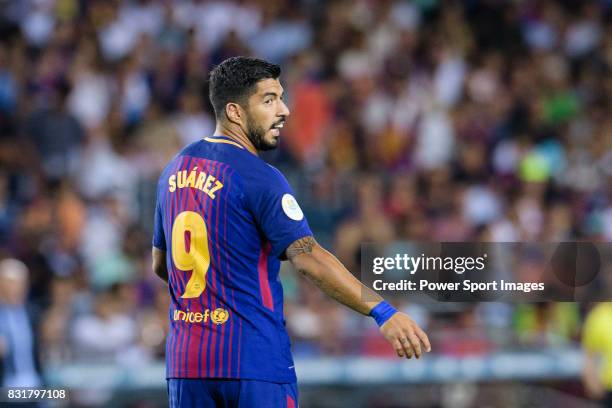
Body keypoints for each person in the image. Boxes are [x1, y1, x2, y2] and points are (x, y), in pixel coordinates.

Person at [152, 56, 430, 408]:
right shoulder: (260, 178)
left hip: (186, 364)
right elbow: (308, 257)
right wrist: (384, 312)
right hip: (252, 360)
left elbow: (162, 266)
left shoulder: (173, 170)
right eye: (269, 100)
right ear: (236, 112)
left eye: (281, 97)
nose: (284, 110)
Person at [0, 258, 42, 388]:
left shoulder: (32, 312)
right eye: (11, 283)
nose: (17, 288)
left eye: (21, 283)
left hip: (33, 384)